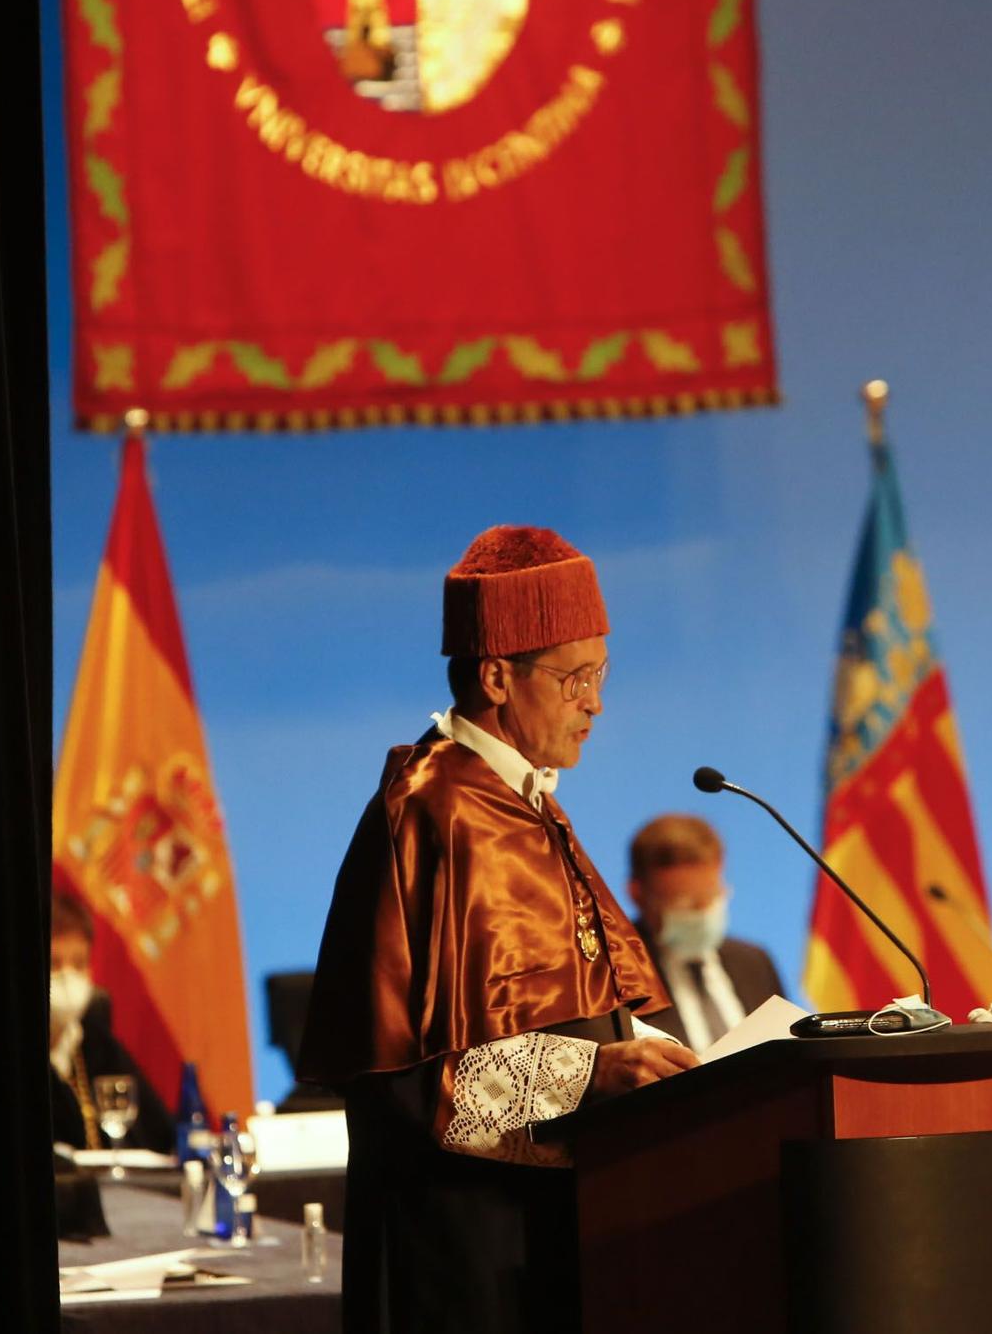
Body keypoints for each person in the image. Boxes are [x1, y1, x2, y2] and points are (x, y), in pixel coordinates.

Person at [297, 525, 698, 1334]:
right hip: (465, 1249)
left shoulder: (527, 802)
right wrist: (590, 1074)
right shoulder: (431, 811)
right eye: (576, 676)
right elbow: (399, 1084)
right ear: (496, 676)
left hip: (568, 1221)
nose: (596, 701)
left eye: (602, 673)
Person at [627, 814, 788, 1052]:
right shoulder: (619, 975)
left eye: (711, 897)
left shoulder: (755, 962)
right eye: (683, 904)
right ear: (637, 896)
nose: (702, 914)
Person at [48, 891, 174, 1153]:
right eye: (54, 965)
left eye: (79, 964)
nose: (68, 978)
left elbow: (161, 1136)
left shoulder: (96, 1043)